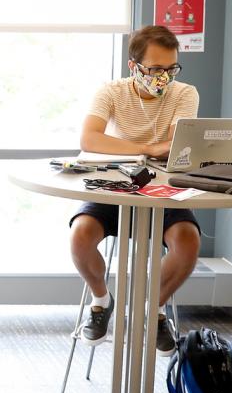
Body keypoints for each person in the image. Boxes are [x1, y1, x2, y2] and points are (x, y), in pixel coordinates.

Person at [70, 25, 199, 357]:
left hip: (162, 189)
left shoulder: (185, 93)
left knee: (188, 242)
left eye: (171, 69)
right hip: (115, 186)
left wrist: (131, 147)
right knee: (80, 236)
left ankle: (150, 308)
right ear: (134, 66)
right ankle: (102, 301)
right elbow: (90, 139)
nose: (164, 78)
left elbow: (176, 143)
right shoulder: (111, 92)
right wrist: (146, 148)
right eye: (155, 69)